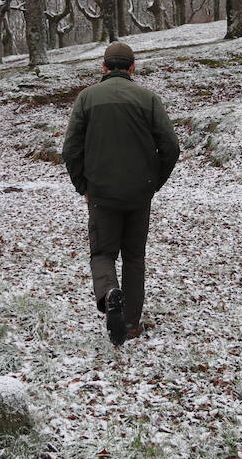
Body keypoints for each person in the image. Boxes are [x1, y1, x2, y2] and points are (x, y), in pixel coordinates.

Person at [61, 41, 180, 346]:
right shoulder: (148, 98)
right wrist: (153, 182)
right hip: (139, 193)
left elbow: (71, 149)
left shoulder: (86, 99)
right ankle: (129, 322)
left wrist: (83, 186)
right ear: (132, 67)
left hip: (101, 194)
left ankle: (108, 292)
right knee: (135, 257)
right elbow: (170, 146)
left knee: (102, 253)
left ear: (103, 67)